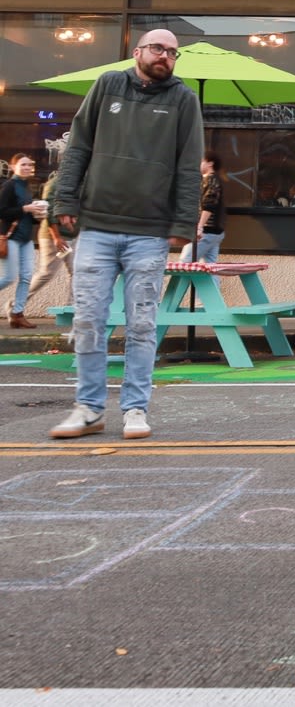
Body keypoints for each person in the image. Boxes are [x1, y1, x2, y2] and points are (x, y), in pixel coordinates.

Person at [48, 30, 204, 441]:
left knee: (141, 325)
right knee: (88, 321)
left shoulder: (183, 99)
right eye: (158, 48)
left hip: (149, 233)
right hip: (96, 227)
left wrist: (183, 226)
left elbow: (189, 167)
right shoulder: (108, 84)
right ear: (137, 52)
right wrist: (63, 201)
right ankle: (89, 409)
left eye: (173, 52)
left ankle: (135, 409)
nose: (165, 56)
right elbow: (78, 146)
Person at [24, 138, 76, 317]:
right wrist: (56, 237)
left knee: (77, 272)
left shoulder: (72, 185)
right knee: (46, 273)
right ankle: (16, 304)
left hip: (67, 236)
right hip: (54, 236)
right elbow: (49, 210)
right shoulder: (54, 184)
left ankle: (72, 308)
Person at [0, 154, 44, 329]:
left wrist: (38, 216)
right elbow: (2, 211)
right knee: (9, 277)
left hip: (26, 239)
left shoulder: (26, 187)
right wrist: (25, 208)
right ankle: (17, 313)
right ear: (13, 167)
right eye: (23, 164)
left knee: (26, 277)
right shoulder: (9, 186)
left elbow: (26, 215)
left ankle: (17, 313)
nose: (27, 167)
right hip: (11, 238)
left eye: (29, 165)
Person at [178, 150, 226, 263]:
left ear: (210, 163)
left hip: (206, 231)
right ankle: (211, 282)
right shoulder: (213, 179)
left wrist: (200, 227)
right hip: (215, 232)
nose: (197, 164)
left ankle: (183, 281)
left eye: (201, 161)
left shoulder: (211, 180)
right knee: (209, 268)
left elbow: (209, 205)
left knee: (185, 263)